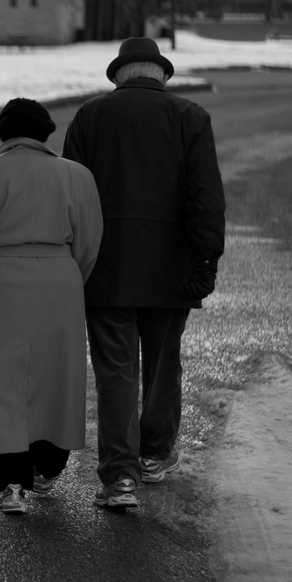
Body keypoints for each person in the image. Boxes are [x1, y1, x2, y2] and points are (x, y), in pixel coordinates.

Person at [62, 37, 226, 509]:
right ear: (161, 76)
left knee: (115, 371)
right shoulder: (190, 117)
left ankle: (120, 478)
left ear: (119, 75)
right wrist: (205, 259)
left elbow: (73, 196)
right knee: (162, 363)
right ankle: (154, 454)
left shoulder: (90, 117)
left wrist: (70, 262)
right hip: (170, 267)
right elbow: (205, 197)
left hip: (105, 267)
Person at [0, 97, 103, 515]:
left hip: (2, 280)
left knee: (7, 380)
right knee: (58, 375)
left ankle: (13, 482)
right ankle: (49, 463)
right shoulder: (77, 176)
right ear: (45, 132)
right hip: (61, 277)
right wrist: (73, 278)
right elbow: (89, 243)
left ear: (2, 132)